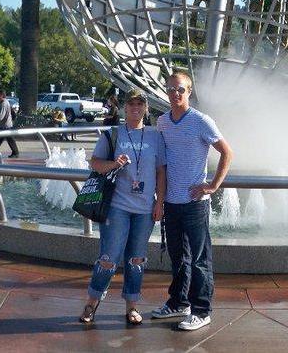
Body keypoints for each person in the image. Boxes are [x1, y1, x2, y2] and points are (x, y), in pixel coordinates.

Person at [152, 71, 233, 331]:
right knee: (178, 257)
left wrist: (213, 186)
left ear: (189, 92)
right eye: (170, 89)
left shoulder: (201, 121)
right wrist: (160, 199)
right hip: (171, 202)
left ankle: (202, 310)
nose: (175, 94)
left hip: (195, 203)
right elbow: (161, 163)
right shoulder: (162, 122)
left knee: (199, 259)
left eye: (180, 89)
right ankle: (179, 302)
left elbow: (227, 152)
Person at [79, 88, 166, 325]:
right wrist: (114, 164)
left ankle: (132, 306)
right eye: (131, 104)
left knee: (136, 260)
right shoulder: (113, 134)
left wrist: (159, 202)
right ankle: (92, 302)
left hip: (145, 209)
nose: (135, 108)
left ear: (146, 108)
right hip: (117, 206)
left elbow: (161, 171)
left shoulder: (155, 136)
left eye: (140, 104)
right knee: (109, 258)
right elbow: (95, 164)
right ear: (124, 107)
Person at [0, 89, 19, 158]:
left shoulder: (3, 104)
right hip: (6, 125)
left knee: (9, 140)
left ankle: (15, 153)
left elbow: (1, 115)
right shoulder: (6, 102)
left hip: (5, 126)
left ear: (2, 95)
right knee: (0, 140)